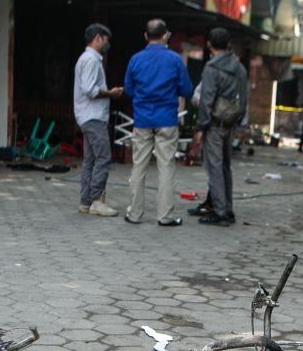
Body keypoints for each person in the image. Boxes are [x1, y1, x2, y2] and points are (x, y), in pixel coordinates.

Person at [122, 18, 193, 226]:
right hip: (167, 120)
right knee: (166, 167)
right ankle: (165, 216)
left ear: (145, 36)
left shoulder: (135, 59)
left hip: (142, 119)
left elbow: (129, 89)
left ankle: (134, 214)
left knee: (139, 166)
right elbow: (187, 90)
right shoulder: (175, 60)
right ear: (165, 36)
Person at [196, 27, 249, 227]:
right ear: (228, 45)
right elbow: (244, 100)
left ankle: (219, 211)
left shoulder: (212, 68)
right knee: (226, 166)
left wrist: (201, 128)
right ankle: (228, 208)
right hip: (231, 122)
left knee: (214, 167)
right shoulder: (240, 68)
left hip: (214, 124)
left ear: (209, 44)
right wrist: (238, 121)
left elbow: (206, 101)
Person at [73, 23, 124, 217]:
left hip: (87, 116)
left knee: (90, 160)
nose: (107, 44)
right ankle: (96, 200)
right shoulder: (91, 60)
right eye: (106, 40)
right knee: (103, 157)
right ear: (97, 38)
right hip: (93, 117)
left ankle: (85, 201)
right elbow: (90, 90)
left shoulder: (86, 59)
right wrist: (111, 93)